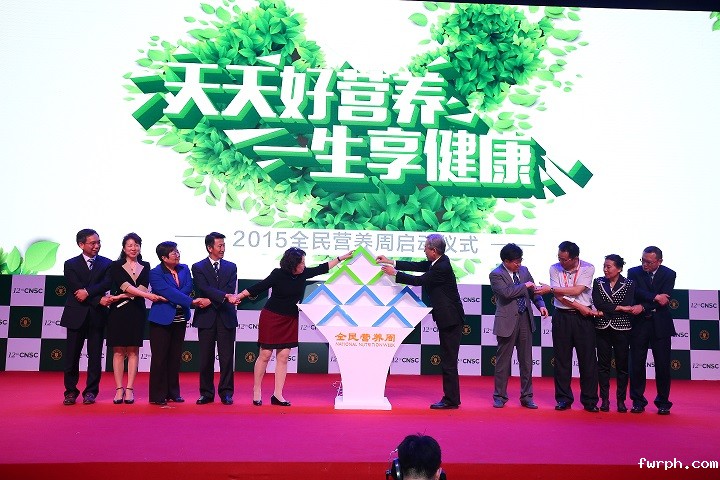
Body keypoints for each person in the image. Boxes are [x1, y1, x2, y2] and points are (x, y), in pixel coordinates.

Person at [236, 247, 353, 406]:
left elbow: (322, 268)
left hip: (290, 319)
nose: (304, 265)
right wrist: (239, 296)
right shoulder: (278, 274)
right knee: (265, 354)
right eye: (301, 262)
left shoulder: (303, 273)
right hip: (271, 317)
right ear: (292, 264)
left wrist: (341, 258)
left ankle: (278, 395)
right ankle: (257, 390)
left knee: (283, 357)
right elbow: (259, 286)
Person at [377, 234, 464, 410]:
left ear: (434, 250)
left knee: (448, 361)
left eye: (425, 248)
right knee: (448, 360)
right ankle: (452, 398)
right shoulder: (438, 262)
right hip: (448, 318)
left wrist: (395, 274)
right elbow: (417, 266)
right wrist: (391, 261)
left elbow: (419, 281)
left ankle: (451, 400)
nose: (424, 250)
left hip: (450, 319)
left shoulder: (441, 267)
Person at [535, 241, 599, 412]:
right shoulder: (554, 268)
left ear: (575, 258)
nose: (561, 262)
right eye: (559, 258)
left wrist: (552, 289)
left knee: (587, 361)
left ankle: (590, 400)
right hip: (562, 316)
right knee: (562, 360)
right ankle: (563, 399)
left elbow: (577, 290)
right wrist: (578, 306)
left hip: (583, 319)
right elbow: (559, 296)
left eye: (564, 259)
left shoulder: (588, 268)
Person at [105, 233, 166, 405]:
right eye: (130, 245)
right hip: (118, 312)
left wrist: (119, 296)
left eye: (136, 245)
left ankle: (130, 389)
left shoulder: (146, 265)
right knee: (118, 351)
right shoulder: (115, 265)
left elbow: (142, 288)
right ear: (124, 248)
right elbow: (125, 286)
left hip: (137, 311)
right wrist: (146, 296)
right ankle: (119, 389)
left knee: (133, 350)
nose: (133, 248)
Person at [147, 241, 209, 405]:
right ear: (163, 257)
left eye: (177, 251)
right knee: (160, 358)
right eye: (173, 252)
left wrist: (176, 297)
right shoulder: (155, 273)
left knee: (175, 357)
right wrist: (189, 301)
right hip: (161, 319)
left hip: (180, 318)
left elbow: (188, 287)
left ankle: (173, 392)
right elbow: (165, 290)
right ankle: (157, 395)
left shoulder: (184, 268)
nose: (177, 254)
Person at [489, 243, 548, 409]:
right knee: (503, 362)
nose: (519, 264)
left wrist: (540, 305)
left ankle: (527, 397)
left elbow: (533, 291)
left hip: (525, 319)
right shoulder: (496, 274)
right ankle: (500, 396)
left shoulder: (524, 271)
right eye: (516, 262)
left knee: (526, 361)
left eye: (520, 260)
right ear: (506, 261)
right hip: (507, 321)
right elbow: (506, 293)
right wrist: (524, 286)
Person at [60, 228, 112, 405]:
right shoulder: (70, 264)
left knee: (95, 356)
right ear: (81, 244)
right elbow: (76, 290)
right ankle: (70, 391)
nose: (97, 246)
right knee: (72, 356)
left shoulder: (107, 263)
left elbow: (106, 283)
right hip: (76, 314)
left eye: (98, 242)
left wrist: (88, 293)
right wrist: (97, 299)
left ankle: (91, 392)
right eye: (92, 243)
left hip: (97, 315)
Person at [192, 232, 241, 406]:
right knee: (206, 358)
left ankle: (226, 392)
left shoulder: (231, 266)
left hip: (226, 316)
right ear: (209, 247)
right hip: (206, 318)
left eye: (224, 245)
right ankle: (206, 393)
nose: (222, 249)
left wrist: (213, 300)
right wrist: (223, 297)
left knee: (227, 358)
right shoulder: (198, 267)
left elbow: (229, 289)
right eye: (219, 246)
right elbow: (203, 287)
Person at [627, 246, 676, 415]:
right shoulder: (633, 272)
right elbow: (635, 292)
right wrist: (654, 296)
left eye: (649, 262)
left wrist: (643, 306)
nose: (645, 264)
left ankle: (663, 402)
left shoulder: (669, 274)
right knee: (636, 364)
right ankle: (637, 401)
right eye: (643, 260)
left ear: (659, 261)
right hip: (639, 324)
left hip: (660, 324)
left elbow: (664, 300)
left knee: (662, 365)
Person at [591, 254, 636, 413]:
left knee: (622, 366)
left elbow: (628, 304)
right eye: (604, 266)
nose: (605, 269)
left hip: (622, 328)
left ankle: (621, 401)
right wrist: (620, 308)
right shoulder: (598, 282)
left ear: (619, 268)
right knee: (603, 366)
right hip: (602, 328)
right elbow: (598, 303)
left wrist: (611, 309)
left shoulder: (629, 283)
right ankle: (604, 400)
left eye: (608, 266)